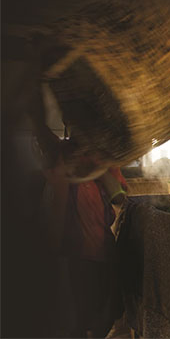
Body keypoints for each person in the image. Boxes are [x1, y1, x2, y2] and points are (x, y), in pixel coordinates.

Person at [35, 121, 128, 338]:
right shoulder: (60, 152)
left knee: (104, 316)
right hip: (71, 254)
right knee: (73, 320)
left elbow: (120, 197)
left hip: (102, 251)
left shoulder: (103, 158)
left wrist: (98, 165)